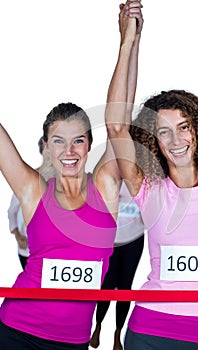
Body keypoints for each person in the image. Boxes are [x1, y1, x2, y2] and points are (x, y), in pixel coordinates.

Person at [0, 3, 143, 348]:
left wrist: (129, 42)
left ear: (90, 145)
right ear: (46, 147)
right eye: (59, 142)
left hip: (73, 340)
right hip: (17, 330)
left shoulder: (106, 188)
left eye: (78, 140)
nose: (69, 151)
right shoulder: (33, 190)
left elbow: (120, 120)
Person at [105, 2, 198, 350]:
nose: (176, 140)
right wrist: (128, 42)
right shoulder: (148, 188)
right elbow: (116, 123)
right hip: (149, 326)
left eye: (184, 127)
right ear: (153, 140)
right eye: (164, 132)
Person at [90, 181, 145, 350]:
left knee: (124, 287)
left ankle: (117, 333)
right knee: (106, 286)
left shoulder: (141, 180)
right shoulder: (107, 178)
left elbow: (151, 212)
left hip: (133, 239)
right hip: (110, 241)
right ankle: (98, 325)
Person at [7, 137, 55, 270]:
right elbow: (12, 211)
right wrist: (18, 236)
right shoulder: (27, 179)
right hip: (27, 249)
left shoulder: (65, 183)